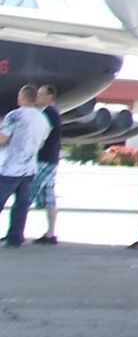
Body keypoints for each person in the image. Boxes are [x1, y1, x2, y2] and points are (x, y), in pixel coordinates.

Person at [0, 85, 51, 248]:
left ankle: (14, 237)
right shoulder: (43, 119)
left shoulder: (14, 116)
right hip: (30, 167)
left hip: (11, 166)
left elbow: (2, 139)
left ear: (22, 97)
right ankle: (15, 237)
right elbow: (42, 142)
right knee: (21, 205)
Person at [30, 83, 61, 244]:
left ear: (50, 97)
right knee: (49, 197)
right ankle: (51, 233)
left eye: (41, 94)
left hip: (44, 160)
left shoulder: (48, 114)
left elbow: (42, 136)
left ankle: (16, 231)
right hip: (51, 159)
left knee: (28, 192)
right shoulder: (52, 113)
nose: (38, 97)